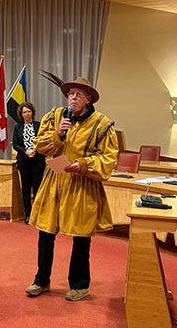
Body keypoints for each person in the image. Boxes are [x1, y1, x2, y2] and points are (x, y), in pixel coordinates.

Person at [25, 77, 119, 301]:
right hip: (55, 180)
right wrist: (58, 134)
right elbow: (40, 145)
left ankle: (80, 285)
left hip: (81, 183)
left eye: (78, 94)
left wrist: (83, 165)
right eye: (70, 94)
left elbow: (108, 157)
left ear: (88, 99)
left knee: (81, 236)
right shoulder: (56, 116)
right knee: (46, 233)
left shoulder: (102, 123)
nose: (73, 98)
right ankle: (41, 280)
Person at [12, 102, 46, 224]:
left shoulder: (39, 125)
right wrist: (26, 151)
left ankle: (37, 214)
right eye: (24, 112)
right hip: (24, 161)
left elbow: (43, 140)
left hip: (38, 160)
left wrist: (35, 150)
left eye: (29, 111)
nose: (27, 114)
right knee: (26, 188)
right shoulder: (17, 127)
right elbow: (15, 144)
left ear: (32, 113)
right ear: (21, 114)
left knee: (37, 187)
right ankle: (28, 214)